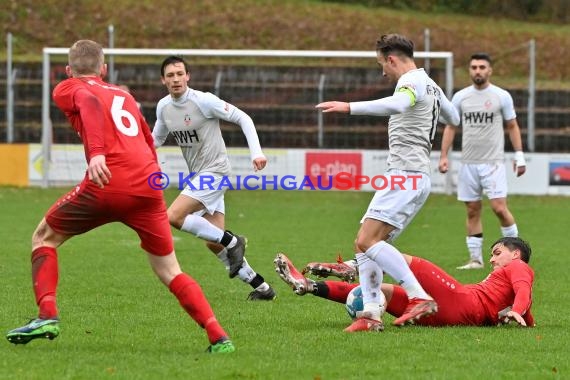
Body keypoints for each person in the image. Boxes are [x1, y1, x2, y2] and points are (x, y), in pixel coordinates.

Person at [5, 40, 235, 353]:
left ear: (69, 70)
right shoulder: (124, 95)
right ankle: (219, 337)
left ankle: (47, 315)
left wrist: (97, 153)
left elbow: (87, 100)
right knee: (170, 270)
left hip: (107, 181)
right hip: (147, 187)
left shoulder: (67, 87)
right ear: (104, 69)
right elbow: (145, 137)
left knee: (43, 237)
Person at [315, 34, 460, 332]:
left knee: (368, 241)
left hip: (405, 176)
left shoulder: (410, 83)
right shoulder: (430, 84)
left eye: (382, 64)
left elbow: (398, 104)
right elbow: (454, 115)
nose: (383, 71)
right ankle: (370, 313)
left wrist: (348, 107)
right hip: (415, 177)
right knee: (364, 243)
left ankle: (419, 296)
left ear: (392, 59)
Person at [152, 56, 276, 300]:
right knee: (213, 241)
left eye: (180, 74)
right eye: (170, 75)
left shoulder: (204, 101)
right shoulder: (164, 107)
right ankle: (262, 287)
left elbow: (244, 118)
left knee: (174, 216)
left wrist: (257, 153)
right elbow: (155, 139)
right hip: (198, 176)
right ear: (163, 80)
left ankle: (234, 241)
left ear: (187, 76)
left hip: (216, 172)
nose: (175, 79)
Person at [274, 236, 535, 328]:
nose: (491, 260)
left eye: (497, 253)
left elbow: (523, 291)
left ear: (516, 254)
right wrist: (521, 316)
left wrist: (516, 310)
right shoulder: (513, 280)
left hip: (462, 302)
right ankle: (308, 286)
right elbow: (524, 305)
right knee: (379, 291)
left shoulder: (518, 266)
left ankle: (352, 266)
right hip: (447, 316)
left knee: (405, 259)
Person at [439, 53, 526, 270]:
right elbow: (451, 126)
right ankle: (476, 260)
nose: (478, 70)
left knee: (499, 208)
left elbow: (512, 126)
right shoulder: (460, 97)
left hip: (493, 162)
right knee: (472, 210)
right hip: (468, 163)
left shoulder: (501, 96)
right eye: (474, 67)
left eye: (482, 67)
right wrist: (443, 155)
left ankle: (517, 255)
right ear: (470, 70)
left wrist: (519, 155)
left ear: (490, 71)